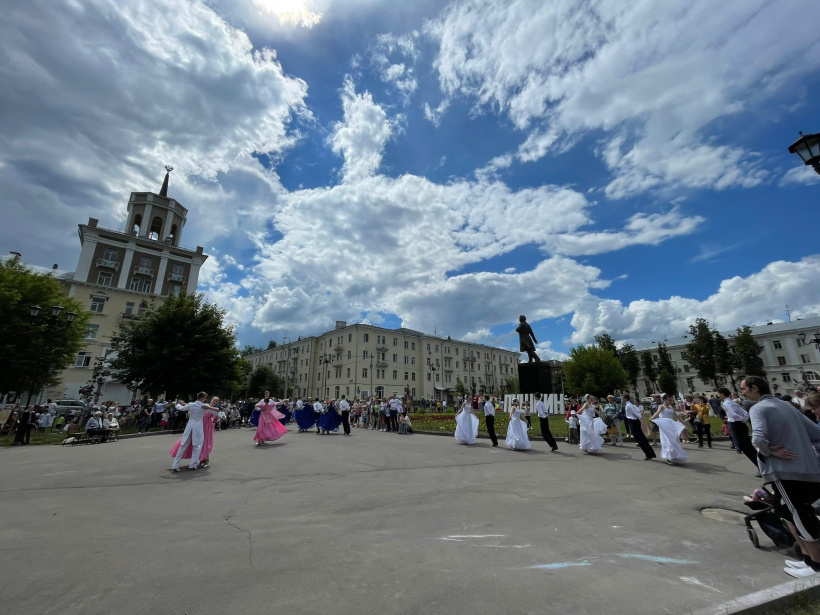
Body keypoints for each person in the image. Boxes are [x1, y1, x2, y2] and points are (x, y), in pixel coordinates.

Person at [742, 376, 820, 577]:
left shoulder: (758, 408)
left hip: (786, 472)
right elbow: (816, 433)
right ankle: (808, 559)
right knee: (783, 510)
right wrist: (812, 456)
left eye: (744, 389)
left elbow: (758, 438)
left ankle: (817, 567)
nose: (742, 392)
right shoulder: (786, 405)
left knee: (800, 515)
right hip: (808, 470)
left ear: (754, 388)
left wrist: (769, 452)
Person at [171, 393, 220, 472]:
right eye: (205, 398)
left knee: (183, 446)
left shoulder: (191, 404)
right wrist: (208, 407)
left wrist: (176, 404)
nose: (205, 399)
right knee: (197, 446)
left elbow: (180, 408)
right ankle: (193, 465)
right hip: (198, 428)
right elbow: (215, 412)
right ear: (202, 398)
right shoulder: (204, 405)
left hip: (189, 427)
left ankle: (175, 465)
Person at [719, 387, 757, 467]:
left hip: (735, 424)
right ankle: (760, 464)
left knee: (744, 446)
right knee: (748, 445)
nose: (719, 395)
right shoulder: (732, 402)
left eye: (719, 394)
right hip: (741, 424)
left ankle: (760, 465)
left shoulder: (726, 403)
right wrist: (744, 419)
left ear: (722, 394)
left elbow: (733, 415)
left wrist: (741, 419)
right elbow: (744, 412)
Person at [650, 395, 688, 465]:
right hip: (664, 426)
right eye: (669, 400)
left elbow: (676, 415)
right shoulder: (661, 406)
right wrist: (652, 418)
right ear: (664, 400)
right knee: (667, 441)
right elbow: (657, 413)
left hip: (671, 425)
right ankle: (667, 457)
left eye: (671, 400)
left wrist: (682, 422)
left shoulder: (671, 407)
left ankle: (674, 456)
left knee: (674, 440)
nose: (671, 401)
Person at [623, 393, 655, 461]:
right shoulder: (629, 405)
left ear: (625, 399)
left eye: (622, 398)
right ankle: (649, 453)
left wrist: (639, 416)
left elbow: (636, 413)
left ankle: (648, 453)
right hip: (632, 421)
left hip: (634, 421)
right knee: (640, 438)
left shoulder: (629, 405)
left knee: (640, 438)